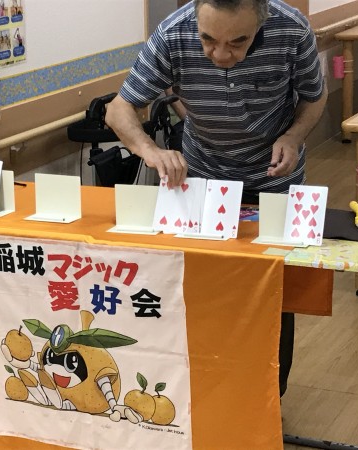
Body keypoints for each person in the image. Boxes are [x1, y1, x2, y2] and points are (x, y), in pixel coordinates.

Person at [105, 0, 327, 397]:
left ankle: (267, 397)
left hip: (273, 175)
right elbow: (119, 109)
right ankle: (207, 391)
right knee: (205, 286)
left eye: (238, 42)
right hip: (203, 177)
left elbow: (314, 97)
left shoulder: (292, 30)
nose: (221, 55)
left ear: (261, 21)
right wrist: (149, 150)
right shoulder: (173, 33)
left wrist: (293, 138)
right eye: (208, 40)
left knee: (272, 290)